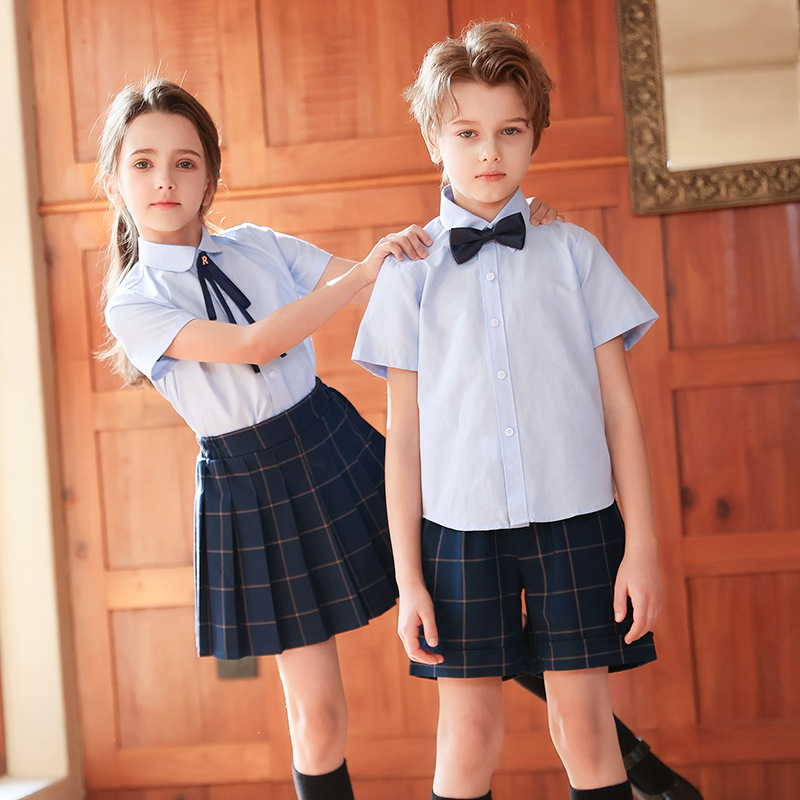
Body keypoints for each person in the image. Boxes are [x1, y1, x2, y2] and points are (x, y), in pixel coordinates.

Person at [96, 75, 559, 800]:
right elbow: (254, 342)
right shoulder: (135, 302)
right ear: (113, 180)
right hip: (250, 487)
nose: (165, 179)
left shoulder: (255, 245)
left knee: (467, 618)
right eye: (143, 162)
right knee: (317, 719)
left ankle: (625, 751)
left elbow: (396, 279)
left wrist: (519, 229)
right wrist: (365, 269)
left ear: (211, 174)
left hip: (334, 442)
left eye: (185, 161)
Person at [353, 21, 675, 800]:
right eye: (466, 132)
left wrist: (643, 546)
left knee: (586, 728)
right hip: (457, 533)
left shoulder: (576, 254)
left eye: (509, 131)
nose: (489, 153)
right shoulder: (409, 274)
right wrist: (409, 577)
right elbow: (405, 441)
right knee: (467, 738)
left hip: (578, 521)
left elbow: (621, 415)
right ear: (435, 139)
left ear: (535, 137)